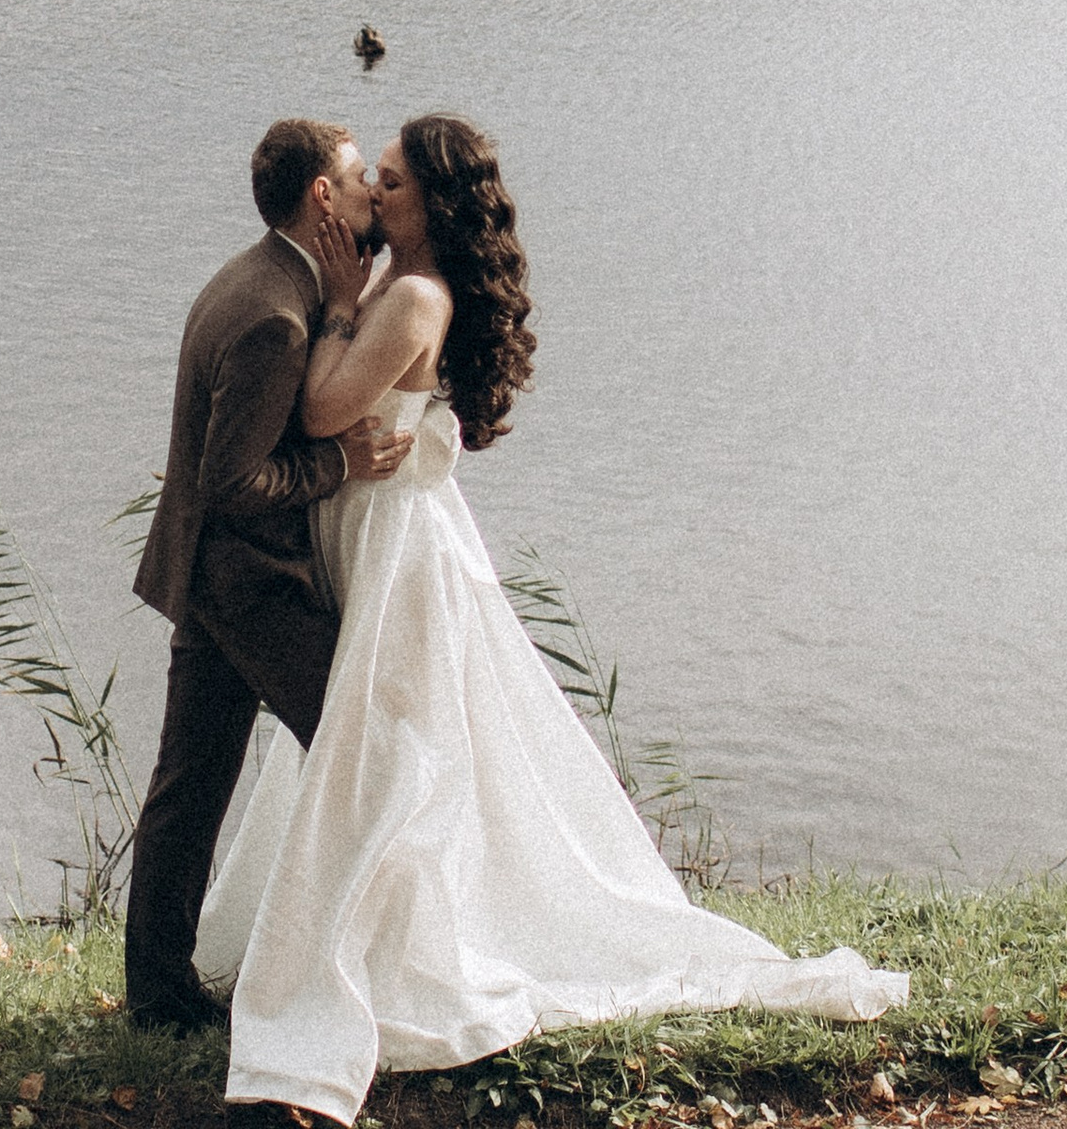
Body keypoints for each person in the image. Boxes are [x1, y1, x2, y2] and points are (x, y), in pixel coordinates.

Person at [194, 111, 907, 1122]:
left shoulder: (407, 299)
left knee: (396, 747)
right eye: (374, 179)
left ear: (431, 206)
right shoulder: (405, 288)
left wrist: (344, 303)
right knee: (388, 744)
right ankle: (367, 927)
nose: (374, 197)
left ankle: (412, 949)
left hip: (401, 551)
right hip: (379, 535)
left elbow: (319, 414)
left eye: (391, 184)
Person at [125, 118, 416, 1032]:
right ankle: (353, 972)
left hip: (211, 576)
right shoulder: (277, 317)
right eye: (362, 177)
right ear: (322, 195)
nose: (374, 192)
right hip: (249, 585)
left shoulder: (253, 276)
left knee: (190, 783)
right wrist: (343, 466)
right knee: (362, 755)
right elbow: (236, 481)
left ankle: (161, 994)